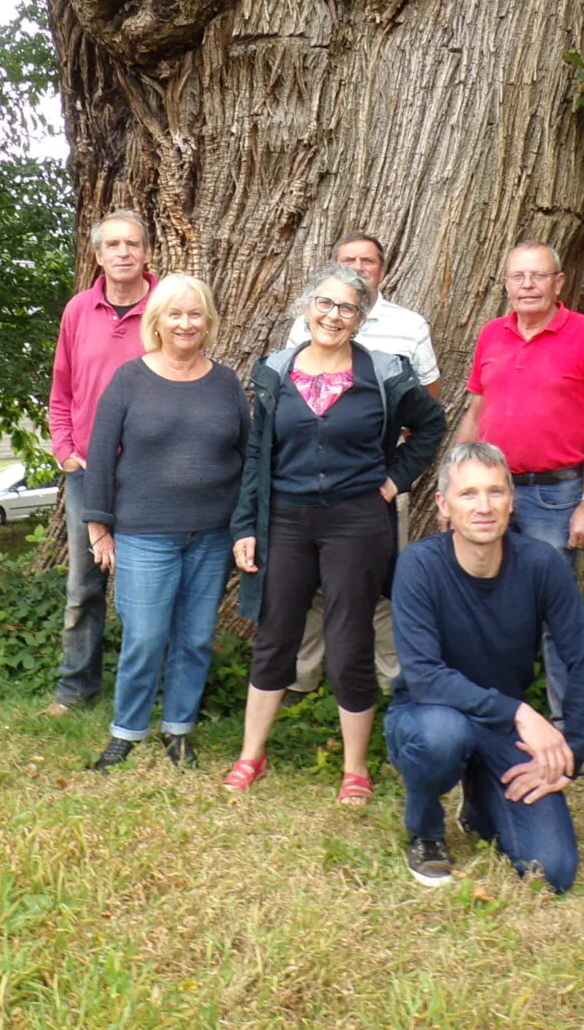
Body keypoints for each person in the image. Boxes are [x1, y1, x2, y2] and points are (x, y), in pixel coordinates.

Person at [224, 264, 448, 803]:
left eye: (347, 307)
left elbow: (432, 425)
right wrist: (246, 525)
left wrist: (393, 482)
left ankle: (355, 769)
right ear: (307, 307)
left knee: (351, 640)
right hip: (286, 521)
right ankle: (251, 754)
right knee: (277, 635)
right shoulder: (275, 371)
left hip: (357, 521)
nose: (333, 315)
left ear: (361, 317)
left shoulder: (385, 373)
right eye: (324, 303)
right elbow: (258, 454)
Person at [387, 442, 584, 892]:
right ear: (443, 504)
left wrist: (573, 754)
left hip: (498, 727)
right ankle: (426, 833)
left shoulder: (541, 564)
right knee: (442, 736)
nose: (484, 506)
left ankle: (481, 804)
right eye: (468, 494)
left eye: (495, 492)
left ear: (512, 499)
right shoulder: (418, 566)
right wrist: (522, 714)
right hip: (427, 714)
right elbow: (425, 676)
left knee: (553, 872)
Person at [80, 275, 248, 771]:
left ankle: (179, 730)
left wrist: (243, 527)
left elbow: (246, 453)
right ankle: (126, 731)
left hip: (211, 534)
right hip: (144, 533)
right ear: (157, 320)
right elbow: (100, 456)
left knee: (195, 638)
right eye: (175, 313)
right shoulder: (131, 379)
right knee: (145, 637)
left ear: (208, 321)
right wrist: (98, 526)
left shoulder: (226, 382)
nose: (185, 323)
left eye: (195, 314)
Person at [456, 240, 584, 724]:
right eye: (518, 277)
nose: (528, 286)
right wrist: (456, 480)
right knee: (484, 602)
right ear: (506, 284)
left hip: (556, 494)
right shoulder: (491, 334)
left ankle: (569, 728)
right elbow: (475, 411)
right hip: (492, 493)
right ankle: (490, 715)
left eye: (538, 276)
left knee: (555, 614)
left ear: (558, 282)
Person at [280, 232, 440, 704]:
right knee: (309, 586)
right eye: (348, 259)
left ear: (383, 269)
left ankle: (391, 678)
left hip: (376, 485)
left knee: (384, 584)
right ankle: (302, 677)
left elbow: (426, 406)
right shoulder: (305, 324)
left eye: (367, 261)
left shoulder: (408, 325)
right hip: (308, 487)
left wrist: (394, 477)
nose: (359, 267)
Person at [43, 210, 157, 717]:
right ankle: (75, 691)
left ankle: (147, 693)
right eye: (113, 245)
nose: (124, 252)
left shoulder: (165, 307)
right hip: (89, 470)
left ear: (147, 252)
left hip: (151, 472)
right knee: (83, 588)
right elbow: (61, 388)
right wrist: (65, 449)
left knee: (148, 589)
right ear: (98, 255)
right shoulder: (77, 310)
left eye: (133, 243)